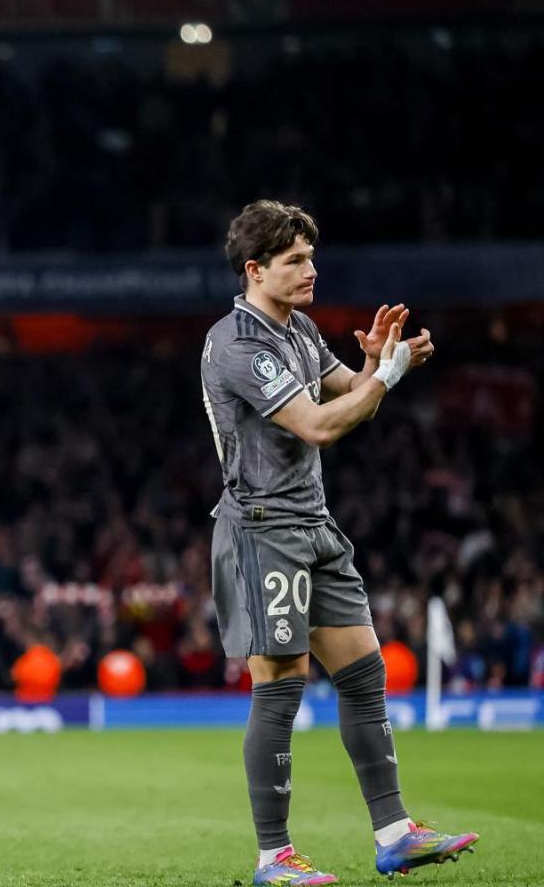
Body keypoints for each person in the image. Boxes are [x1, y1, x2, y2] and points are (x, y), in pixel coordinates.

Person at [200, 200, 478, 885]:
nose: (311, 270)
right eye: (295, 260)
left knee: (362, 672)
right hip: (263, 530)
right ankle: (274, 859)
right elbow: (319, 426)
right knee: (281, 686)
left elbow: (351, 392)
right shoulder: (239, 343)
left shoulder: (298, 330)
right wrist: (383, 379)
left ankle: (395, 833)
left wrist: (379, 363)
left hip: (315, 524)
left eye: (311, 257)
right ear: (255, 269)